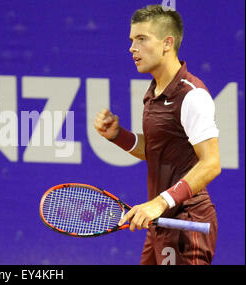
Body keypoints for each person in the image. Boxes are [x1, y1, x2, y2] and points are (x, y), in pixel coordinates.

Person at [93, 4, 221, 265]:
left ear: (167, 43)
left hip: (186, 224)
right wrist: (119, 136)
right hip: (161, 224)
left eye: (142, 39)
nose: (132, 48)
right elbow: (156, 151)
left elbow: (211, 163)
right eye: (131, 40)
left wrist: (159, 203)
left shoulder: (191, 95)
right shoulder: (153, 93)